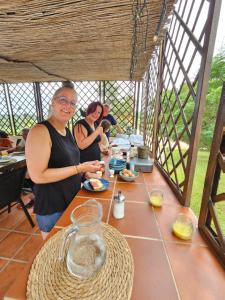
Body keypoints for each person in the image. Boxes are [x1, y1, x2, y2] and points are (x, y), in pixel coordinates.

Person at [26, 81, 101, 239]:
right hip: (53, 208)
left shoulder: (66, 131)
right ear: (52, 102)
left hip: (70, 202)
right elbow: (37, 176)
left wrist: (85, 173)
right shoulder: (40, 130)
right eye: (63, 100)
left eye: (73, 103)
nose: (68, 106)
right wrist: (79, 169)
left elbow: (69, 165)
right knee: (56, 256)